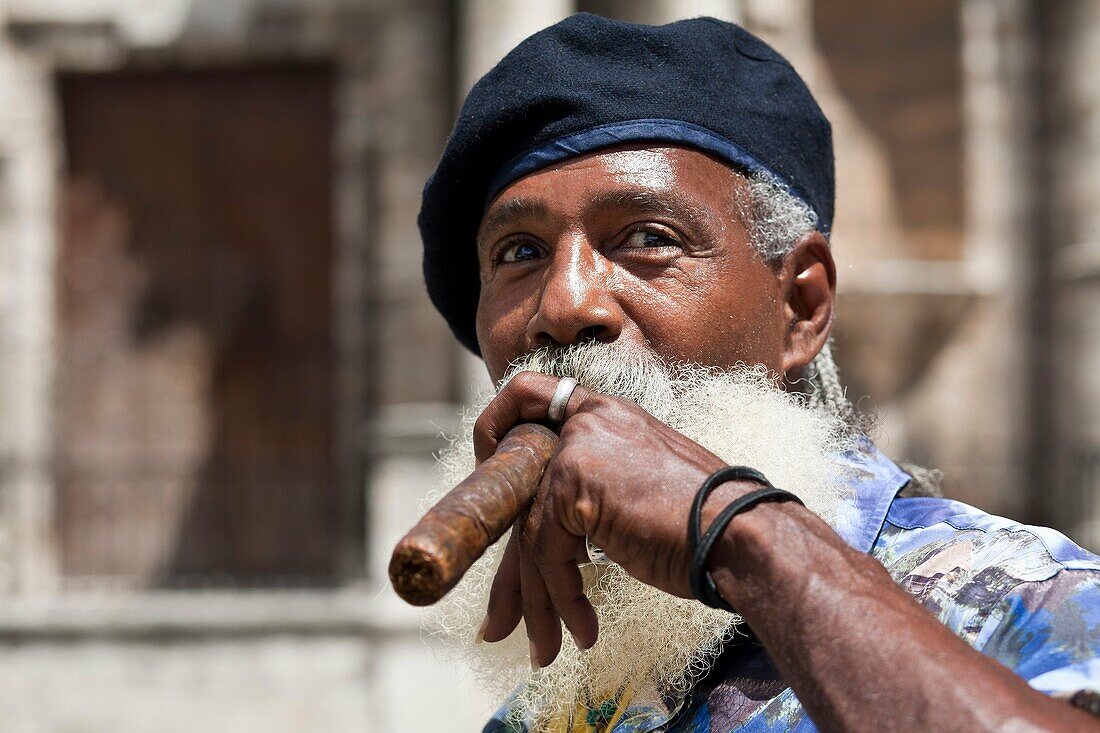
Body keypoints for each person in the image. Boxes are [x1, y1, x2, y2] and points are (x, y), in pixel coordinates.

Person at [415, 13, 1100, 732]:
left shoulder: (1010, 599)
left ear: (800, 305)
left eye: (650, 238)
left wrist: (736, 530)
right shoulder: (548, 713)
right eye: (519, 252)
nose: (563, 303)